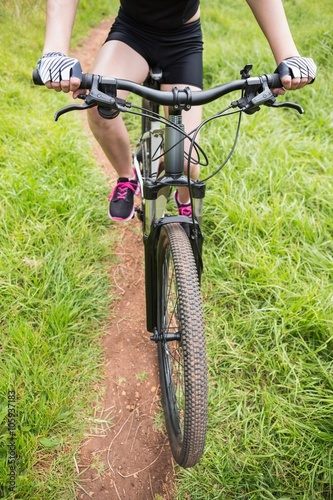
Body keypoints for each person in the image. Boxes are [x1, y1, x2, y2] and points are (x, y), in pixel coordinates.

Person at [36, 0, 316, 222]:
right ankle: (126, 177)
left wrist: (288, 56)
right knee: (99, 106)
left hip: (183, 43)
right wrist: (54, 51)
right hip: (131, 35)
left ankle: (184, 198)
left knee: (186, 163)